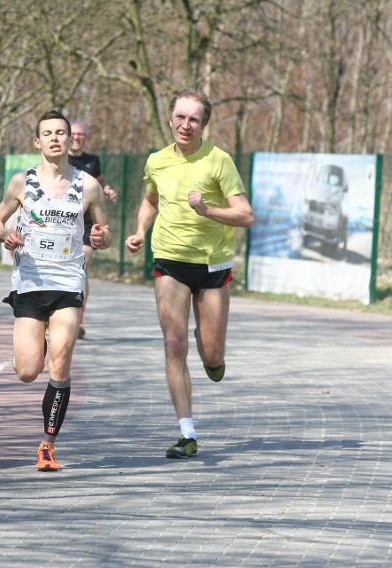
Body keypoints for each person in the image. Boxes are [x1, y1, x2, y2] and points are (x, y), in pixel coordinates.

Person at [125, 90, 254, 459]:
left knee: (211, 356)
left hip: (213, 266)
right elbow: (151, 199)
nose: (186, 125)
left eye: (194, 119)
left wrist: (208, 211)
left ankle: (210, 349)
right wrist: (139, 231)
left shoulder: (219, 161)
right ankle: (187, 433)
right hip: (169, 260)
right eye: (180, 117)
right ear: (170, 119)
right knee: (173, 343)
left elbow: (246, 215)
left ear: (203, 125)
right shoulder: (157, 161)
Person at [0, 110, 112, 472]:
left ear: (68, 139)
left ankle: (47, 445)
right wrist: (5, 233)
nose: (56, 138)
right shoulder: (21, 183)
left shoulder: (88, 185)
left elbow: (105, 233)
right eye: (48, 133)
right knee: (28, 370)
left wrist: (101, 237)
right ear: (37, 142)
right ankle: (32, 339)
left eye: (61, 132)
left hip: (68, 283)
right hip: (29, 284)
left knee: (61, 358)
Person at [68, 121, 118, 339]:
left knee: (82, 266)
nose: (78, 137)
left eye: (81, 134)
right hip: (64, 223)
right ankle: (59, 311)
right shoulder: (60, 160)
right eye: (74, 133)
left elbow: (99, 179)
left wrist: (106, 188)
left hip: (88, 223)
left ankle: (78, 318)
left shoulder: (92, 161)